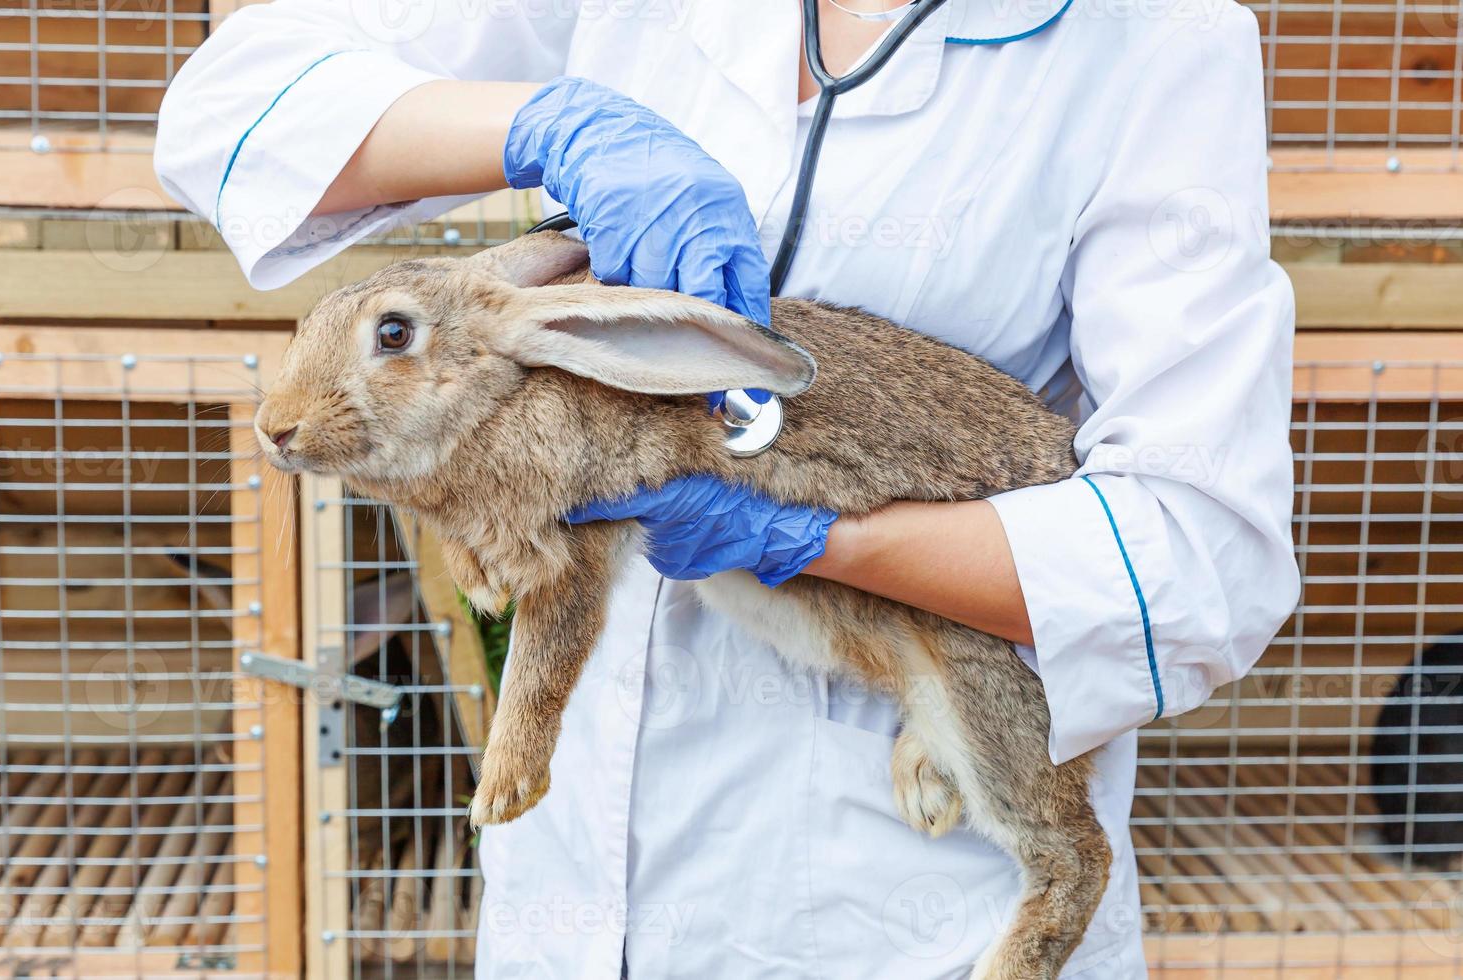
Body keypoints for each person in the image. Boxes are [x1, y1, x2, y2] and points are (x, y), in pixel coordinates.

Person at [155, 0, 1299, 975]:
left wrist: (813, 537)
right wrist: (551, 126)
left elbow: (1199, 554)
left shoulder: (1152, 40)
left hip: (892, 909)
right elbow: (235, 107)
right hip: (572, 885)